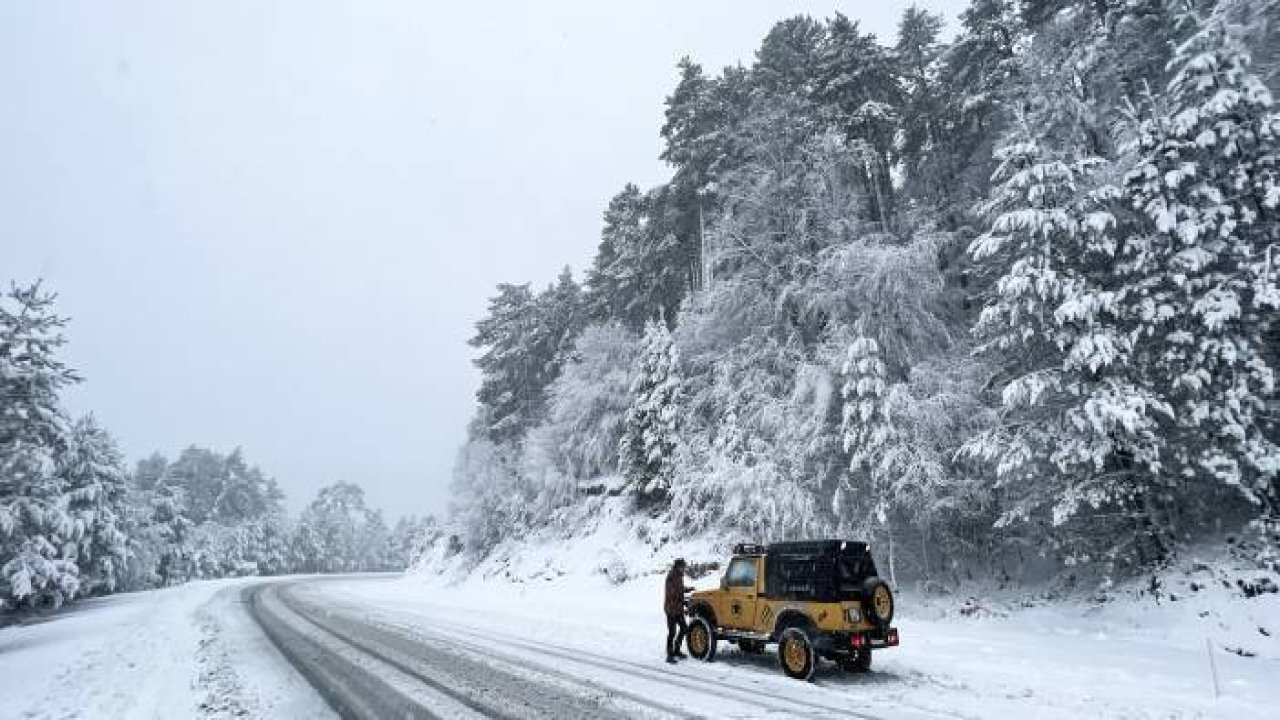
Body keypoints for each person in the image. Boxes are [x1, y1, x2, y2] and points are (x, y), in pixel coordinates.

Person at [664, 557, 691, 663]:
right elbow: (671, 593)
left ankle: (677, 650)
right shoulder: (671, 576)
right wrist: (682, 599)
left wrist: (687, 589)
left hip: (678, 608)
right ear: (679, 566)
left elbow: (679, 589)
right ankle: (669, 655)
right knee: (672, 632)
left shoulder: (679, 576)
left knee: (684, 628)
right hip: (671, 608)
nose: (684, 568)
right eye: (683, 566)